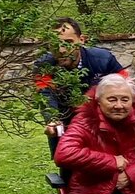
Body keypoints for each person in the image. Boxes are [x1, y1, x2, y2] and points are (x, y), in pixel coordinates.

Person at [35, 17, 129, 154]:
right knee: (69, 162)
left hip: (105, 122)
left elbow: (129, 89)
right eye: (55, 44)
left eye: (68, 42)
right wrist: (52, 120)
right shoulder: (44, 66)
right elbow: (46, 95)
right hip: (67, 123)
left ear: (82, 40)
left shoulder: (104, 59)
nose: (61, 50)